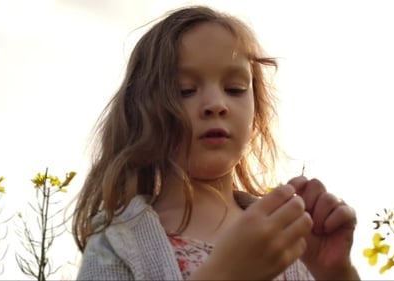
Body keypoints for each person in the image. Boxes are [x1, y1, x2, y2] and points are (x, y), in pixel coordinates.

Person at [73, 5, 360, 280]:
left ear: (256, 109)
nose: (216, 105)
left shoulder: (289, 234)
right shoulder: (118, 244)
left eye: (235, 89)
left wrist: (335, 273)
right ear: (142, 110)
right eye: (185, 90)